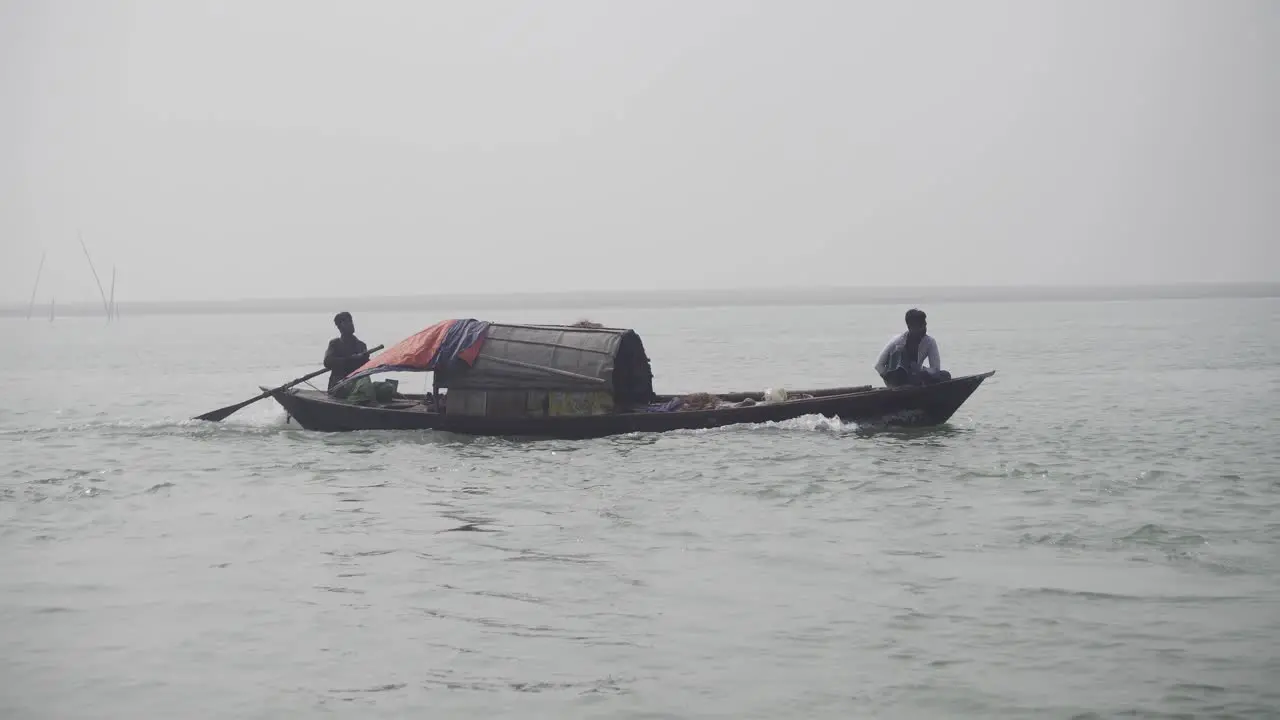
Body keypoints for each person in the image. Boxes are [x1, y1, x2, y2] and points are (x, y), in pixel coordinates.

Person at [874, 308, 952, 388]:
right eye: (920, 326)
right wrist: (891, 383)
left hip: (916, 377)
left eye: (924, 325)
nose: (924, 329)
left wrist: (921, 370)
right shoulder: (897, 342)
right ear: (909, 327)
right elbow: (879, 365)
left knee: (945, 375)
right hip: (898, 379)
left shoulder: (930, 342)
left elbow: (935, 369)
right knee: (899, 352)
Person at [324, 311, 370, 391]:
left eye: (351, 321)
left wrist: (368, 361)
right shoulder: (335, 344)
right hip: (338, 386)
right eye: (347, 322)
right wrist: (349, 359)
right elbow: (327, 362)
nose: (351, 324)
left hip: (358, 385)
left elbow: (366, 368)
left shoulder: (361, 345)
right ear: (339, 327)